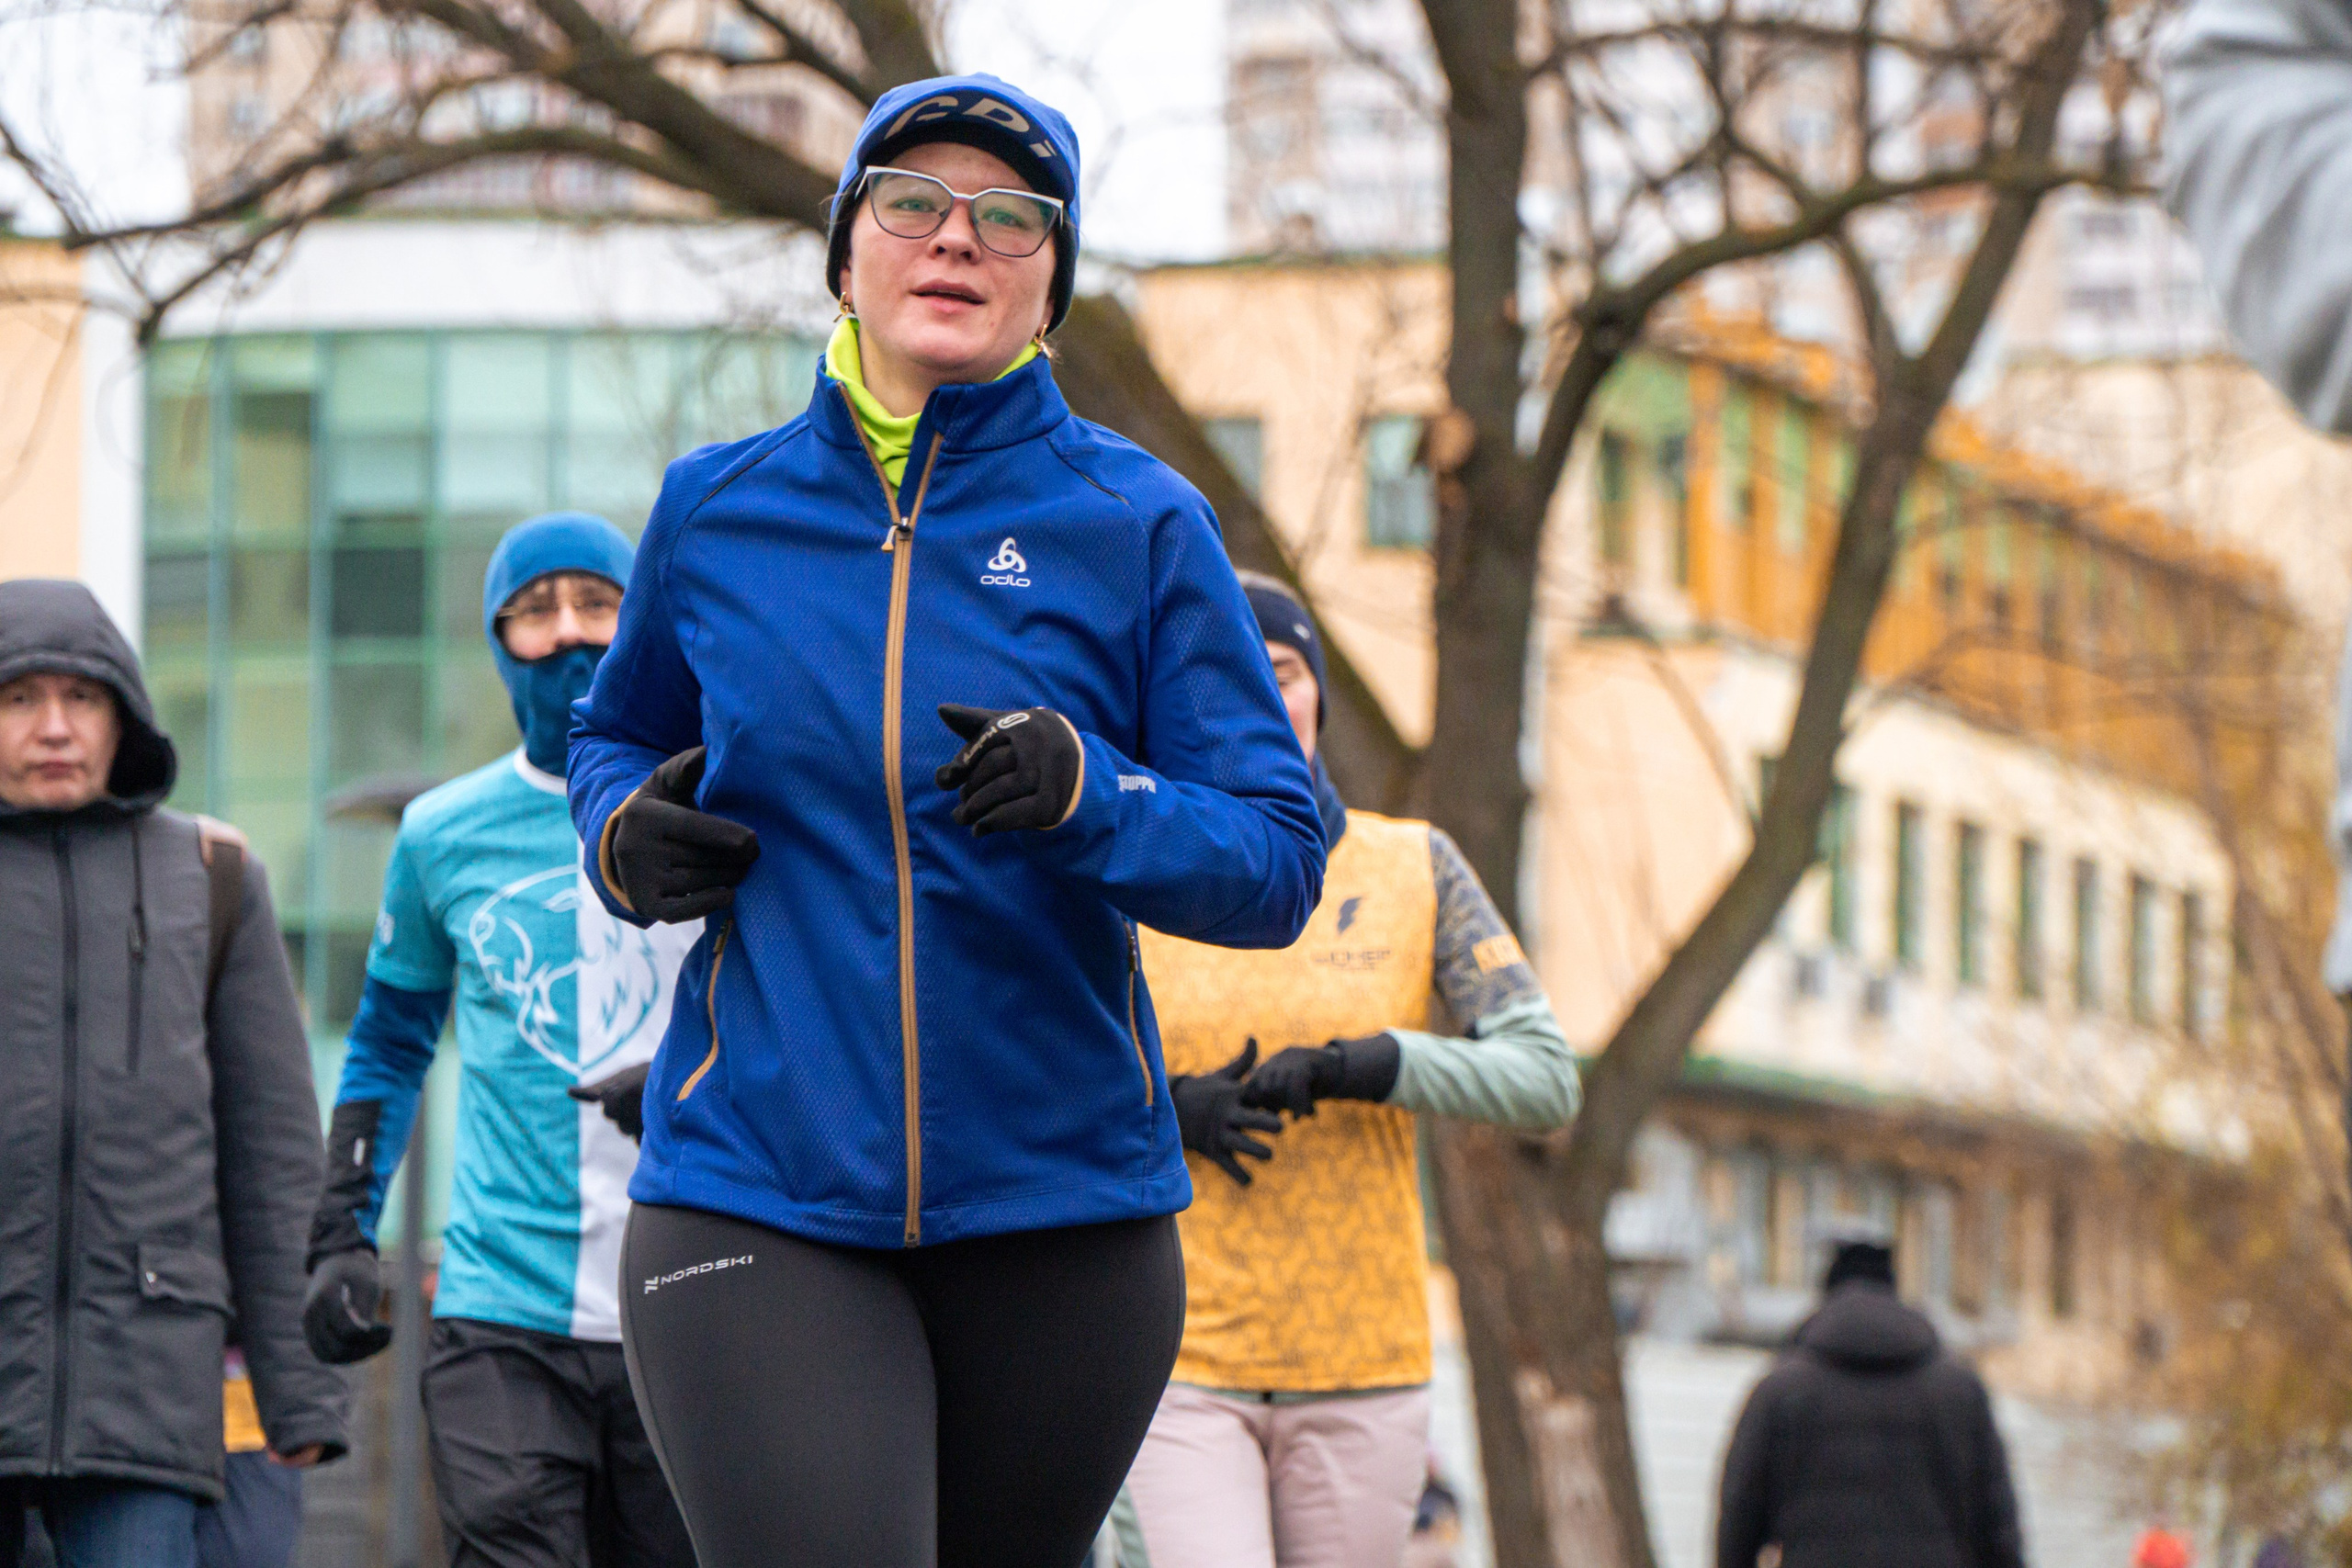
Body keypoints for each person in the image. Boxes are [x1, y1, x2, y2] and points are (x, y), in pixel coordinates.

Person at [568, 71, 1328, 1568]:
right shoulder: (718, 513)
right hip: (759, 1184)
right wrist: (620, 830)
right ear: (844, 250)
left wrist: (1092, 795)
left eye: (1011, 218)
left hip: (1063, 1215)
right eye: (912, 204)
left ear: (1051, 285)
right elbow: (618, 729)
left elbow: (1276, 856)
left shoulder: (1140, 522)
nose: (957, 240)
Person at [1112, 572, 1578, 1568]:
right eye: (1224, 676)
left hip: (1363, 1364)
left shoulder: (1415, 869)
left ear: (1316, 689)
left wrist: (1381, 1065)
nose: (1260, 699)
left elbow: (1546, 1078)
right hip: (1180, 1358)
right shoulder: (1130, 872)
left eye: (1279, 672)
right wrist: (1159, 1110)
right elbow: (1028, 1081)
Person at [300, 513, 697, 1568]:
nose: (569, 635)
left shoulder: (713, 799)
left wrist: (694, 1084)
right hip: (500, 1312)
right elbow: (388, 1044)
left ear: (640, 620)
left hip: (693, 1298)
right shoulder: (441, 833)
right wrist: (340, 1231)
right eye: (533, 611)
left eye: (598, 604)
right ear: (496, 641)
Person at [0, 579, 345, 1568]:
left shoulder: (212, 878)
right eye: (22, 698)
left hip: (146, 1388)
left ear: (125, 713)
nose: (56, 727)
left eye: (84, 697)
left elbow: (274, 1159)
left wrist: (302, 1387)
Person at [1714, 1238, 2025, 1568]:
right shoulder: (1959, 1392)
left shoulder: (1780, 1391)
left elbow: (1738, 1520)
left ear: (1827, 1295)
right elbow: (1998, 1525)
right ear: (1894, 1291)